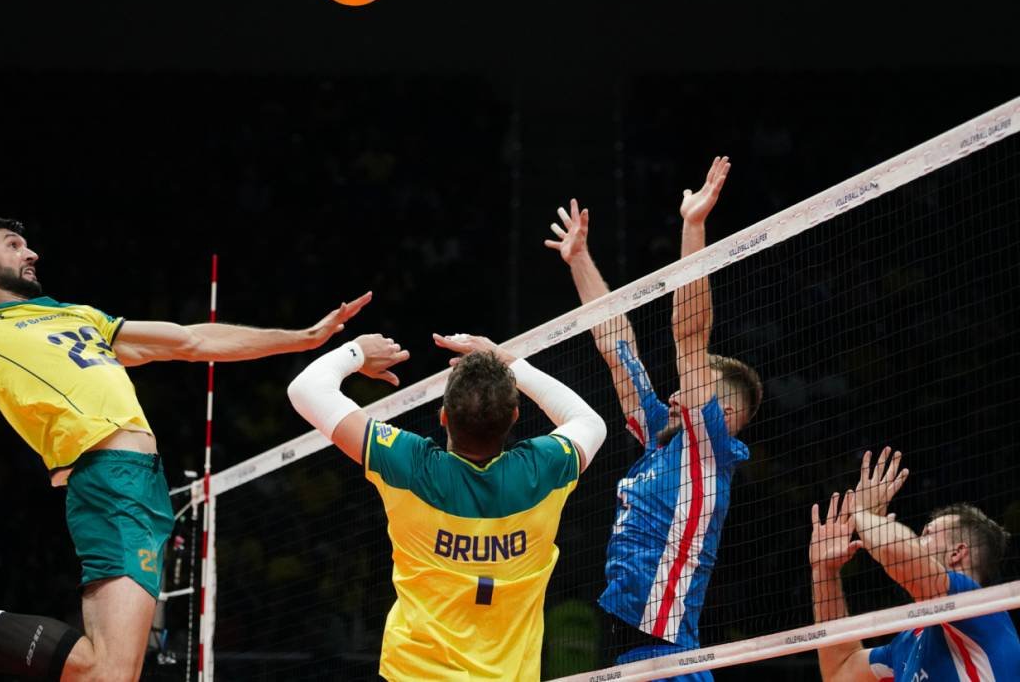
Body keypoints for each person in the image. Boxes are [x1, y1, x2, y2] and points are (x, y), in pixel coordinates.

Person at [0, 174, 371, 681]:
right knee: (109, 673)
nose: (31, 250)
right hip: (109, 477)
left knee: (104, 673)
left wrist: (301, 339)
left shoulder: (83, 317)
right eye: (13, 245)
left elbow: (191, 341)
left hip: (141, 486)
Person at [545, 157, 763, 679]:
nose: (674, 391)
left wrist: (693, 227)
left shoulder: (707, 449)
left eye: (690, 385)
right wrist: (579, 260)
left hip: (666, 659)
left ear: (723, 412)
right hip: (631, 657)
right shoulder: (660, 440)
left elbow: (689, 334)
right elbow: (616, 344)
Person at [286, 330, 606, 680]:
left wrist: (357, 351)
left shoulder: (411, 466)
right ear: (514, 416)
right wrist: (510, 362)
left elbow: (305, 390)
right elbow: (590, 422)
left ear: (442, 417)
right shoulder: (543, 469)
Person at [810, 446, 1020, 681]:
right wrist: (825, 571)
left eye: (928, 533)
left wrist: (862, 512)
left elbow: (899, 555)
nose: (918, 540)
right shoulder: (909, 641)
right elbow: (840, 670)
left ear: (957, 553)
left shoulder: (980, 609)